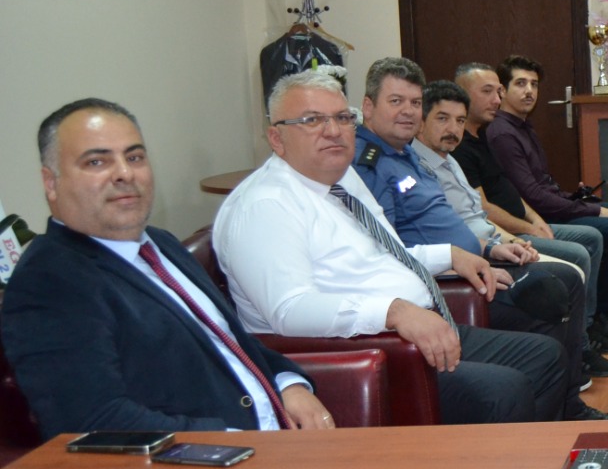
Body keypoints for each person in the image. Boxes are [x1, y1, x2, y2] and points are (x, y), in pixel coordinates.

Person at [215, 70, 568, 425]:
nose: (333, 131)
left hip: (419, 326)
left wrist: (448, 255)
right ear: (277, 138)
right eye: (312, 120)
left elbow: (386, 253)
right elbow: (289, 310)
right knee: (504, 389)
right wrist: (394, 312)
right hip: (372, 350)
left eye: (342, 118)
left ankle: (529, 455)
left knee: (545, 355)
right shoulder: (266, 204)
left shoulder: (342, 178)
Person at [1, 98, 337, 439]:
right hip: (210, 460)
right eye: (97, 162)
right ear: (51, 183)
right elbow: (92, 423)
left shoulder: (159, 244)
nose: (124, 173)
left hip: (285, 440)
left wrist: (287, 383)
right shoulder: (50, 282)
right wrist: (237, 442)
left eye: (134, 157)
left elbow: (228, 340)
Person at [350, 59, 608, 421]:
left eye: (414, 103)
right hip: (448, 283)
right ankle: (559, 410)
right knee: (553, 292)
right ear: (368, 107)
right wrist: (457, 258)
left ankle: (566, 404)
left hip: (477, 259)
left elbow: (456, 219)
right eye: (396, 101)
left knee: (564, 284)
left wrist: (492, 247)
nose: (408, 112)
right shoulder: (369, 165)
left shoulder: (408, 153)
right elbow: (388, 251)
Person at [485, 55, 608, 334]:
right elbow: (532, 196)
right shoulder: (502, 133)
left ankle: (607, 305)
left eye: (534, 84)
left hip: (558, 204)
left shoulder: (522, 126)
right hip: (542, 218)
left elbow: (542, 185)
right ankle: (601, 314)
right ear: (502, 91)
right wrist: (593, 210)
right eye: (520, 83)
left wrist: (575, 197)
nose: (529, 91)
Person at [450, 63, 608, 354]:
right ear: (462, 95)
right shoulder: (462, 146)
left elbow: (513, 191)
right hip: (501, 235)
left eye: (498, 92)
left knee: (596, 235)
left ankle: (591, 324)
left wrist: (535, 219)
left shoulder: (484, 136)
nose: (496, 100)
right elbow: (483, 209)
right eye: (488, 92)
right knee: (583, 249)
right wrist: (526, 230)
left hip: (519, 225)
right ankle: (582, 344)